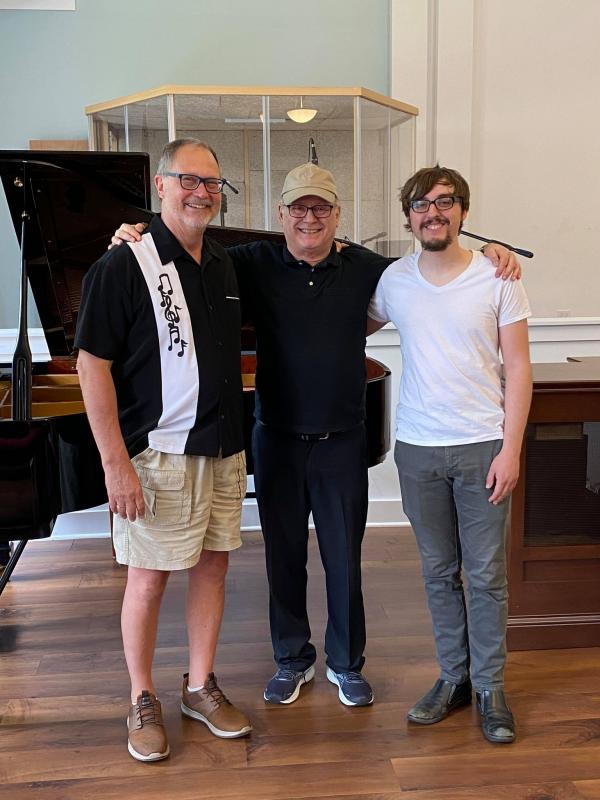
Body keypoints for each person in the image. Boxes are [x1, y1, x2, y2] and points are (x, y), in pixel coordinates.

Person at [111, 160, 521, 709]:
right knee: (283, 557)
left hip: (343, 440)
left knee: (344, 560)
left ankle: (347, 664)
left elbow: (431, 264)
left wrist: (496, 252)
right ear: (281, 213)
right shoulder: (244, 263)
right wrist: (133, 233)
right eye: (298, 208)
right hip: (274, 437)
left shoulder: (370, 270)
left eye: (321, 208)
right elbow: (184, 254)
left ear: (337, 215)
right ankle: (292, 658)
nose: (309, 218)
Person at [75, 139, 252, 763]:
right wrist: (114, 464)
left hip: (225, 453)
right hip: (157, 458)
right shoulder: (123, 265)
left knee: (213, 568)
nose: (201, 192)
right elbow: (91, 366)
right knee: (148, 580)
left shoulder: (225, 266)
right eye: (189, 180)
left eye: (212, 183)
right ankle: (141, 696)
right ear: (161, 184)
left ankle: (199, 686)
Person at [367, 166, 532, 744]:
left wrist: (511, 449)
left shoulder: (497, 274)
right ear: (407, 215)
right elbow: (341, 323)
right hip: (417, 448)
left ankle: (490, 686)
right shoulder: (393, 280)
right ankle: (453, 678)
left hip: (483, 444)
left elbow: (519, 368)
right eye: (419, 203)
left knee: (485, 574)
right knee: (438, 572)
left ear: (463, 209)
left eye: (444, 202)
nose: (431, 212)